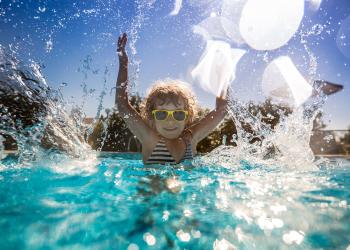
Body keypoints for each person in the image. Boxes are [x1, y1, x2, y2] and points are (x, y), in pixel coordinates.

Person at [115, 33, 228, 164]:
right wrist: (123, 63)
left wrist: (223, 74)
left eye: (178, 114)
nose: (170, 121)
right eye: (162, 114)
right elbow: (122, 104)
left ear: (187, 116)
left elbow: (221, 110)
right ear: (152, 117)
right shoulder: (149, 138)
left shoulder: (190, 139)